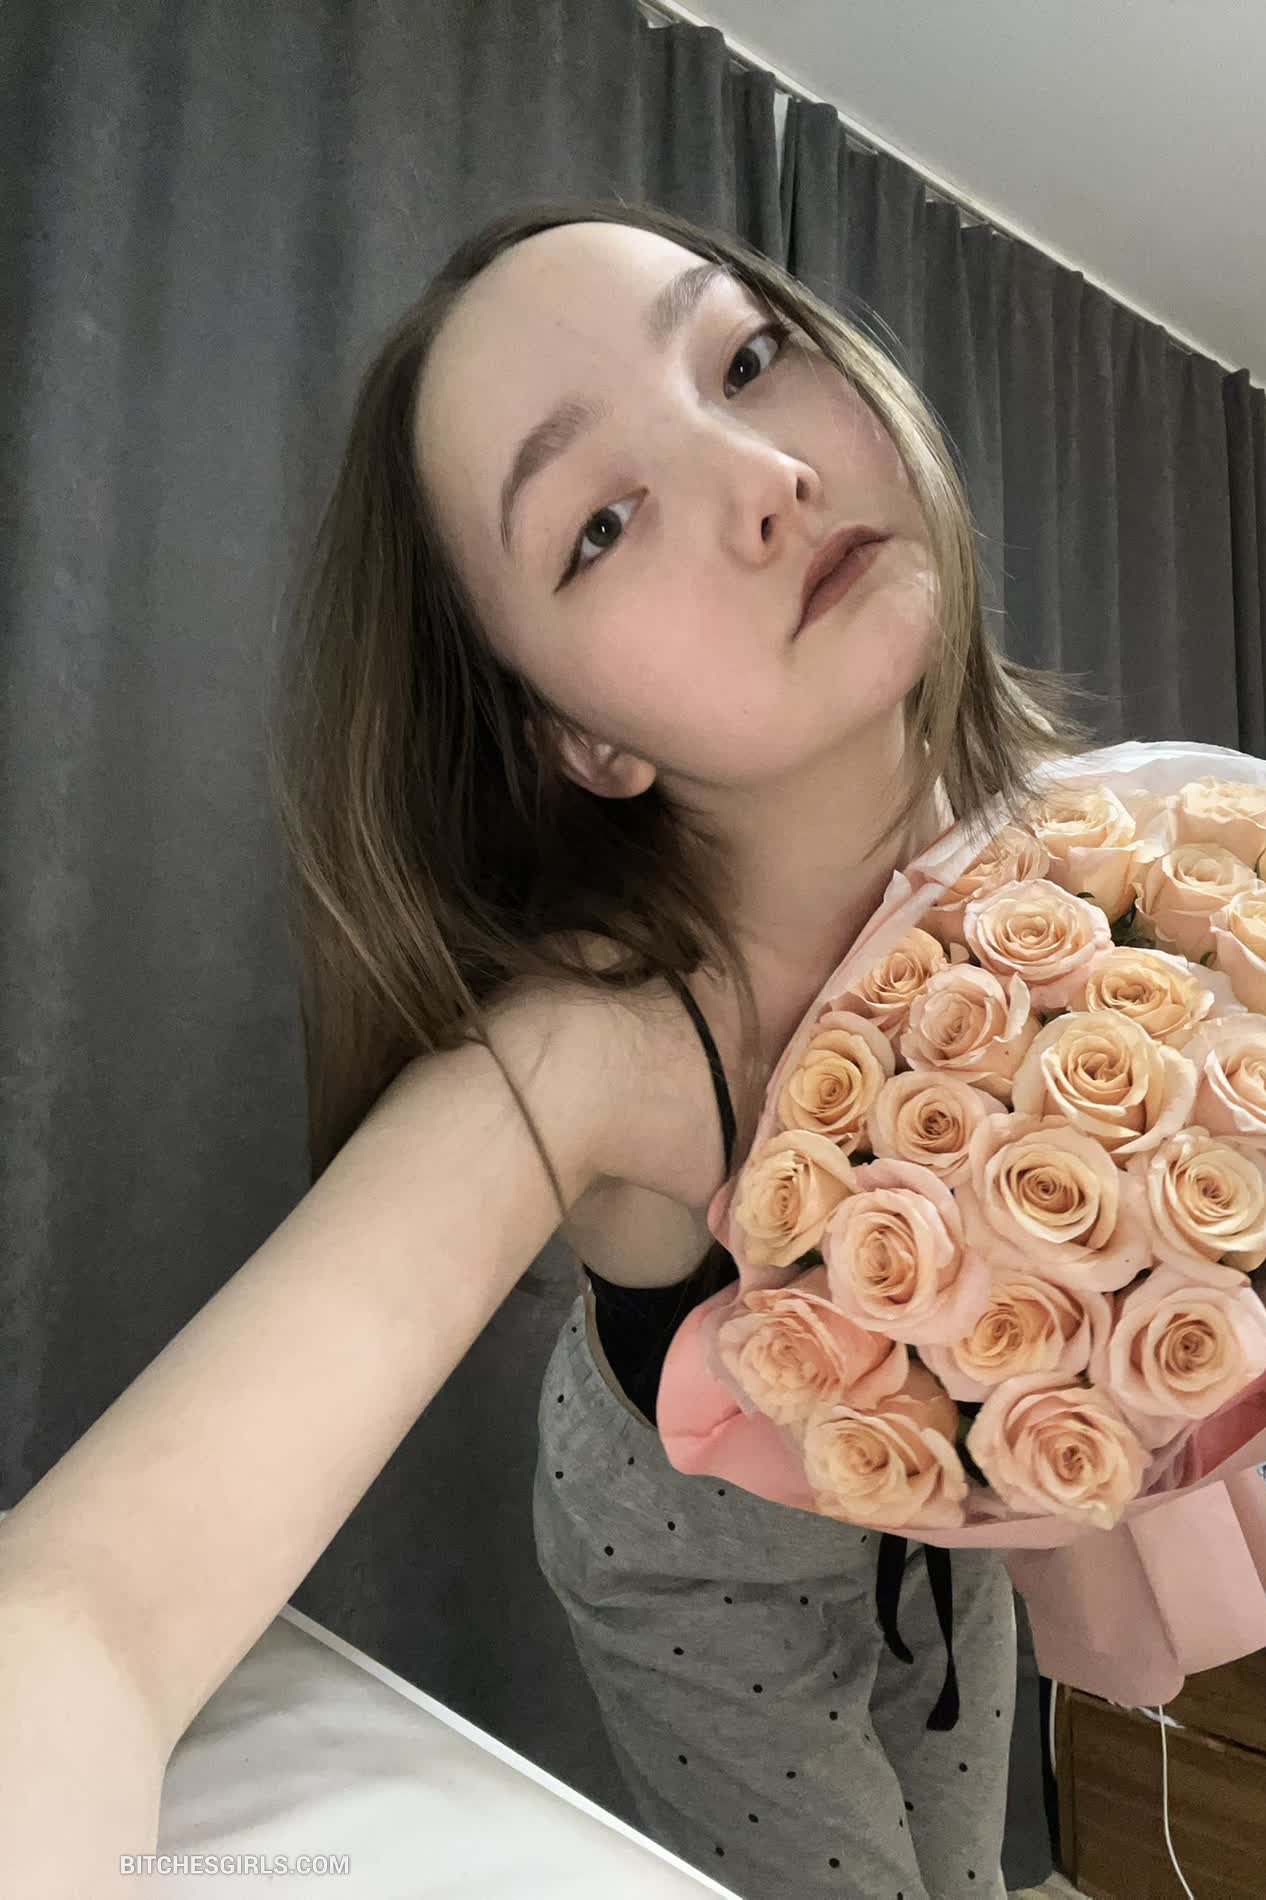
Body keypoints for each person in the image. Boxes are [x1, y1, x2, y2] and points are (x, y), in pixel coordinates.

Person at [0, 197, 1075, 1899]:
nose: (764, 478)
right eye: (599, 525)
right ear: (578, 738)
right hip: (699, 1568)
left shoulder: (1070, 854)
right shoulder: (593, 1039)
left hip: (931, 1510)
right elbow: (80, 1615)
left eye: (746, 358)